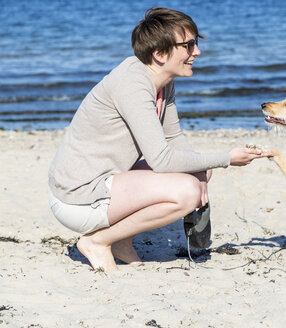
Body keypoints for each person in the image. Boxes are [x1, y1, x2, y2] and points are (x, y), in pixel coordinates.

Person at [48, 7, 271, 271]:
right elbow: (161, 159)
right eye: (188, 45)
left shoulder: (162, 81)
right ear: (159, 53)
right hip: (79, 197)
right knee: (187, 193)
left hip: (107, 181)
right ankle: (99, 241)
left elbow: (174, 138)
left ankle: (121, 242)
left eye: (196, 43)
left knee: (201, 171)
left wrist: (202, 177)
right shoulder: (132, 83)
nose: (196, 52)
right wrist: (227, 159)